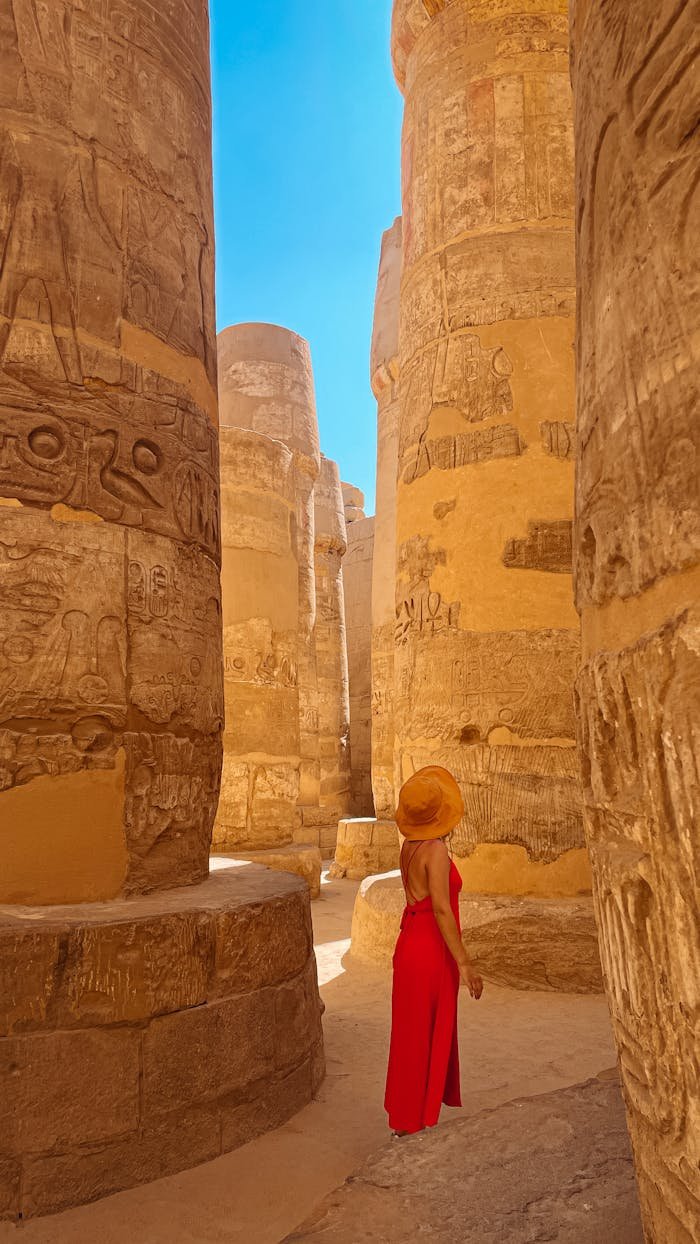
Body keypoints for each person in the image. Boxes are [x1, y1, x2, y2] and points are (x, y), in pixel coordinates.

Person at [384, 765, 483, 1136]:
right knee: (423, 1032)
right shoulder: (436, 850)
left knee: (410, 1034)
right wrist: (465, 963)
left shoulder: (409, 846)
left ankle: (406, 1117)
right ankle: (414, 1119)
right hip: (429, 949)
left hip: (410, 944)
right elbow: (442, 909)